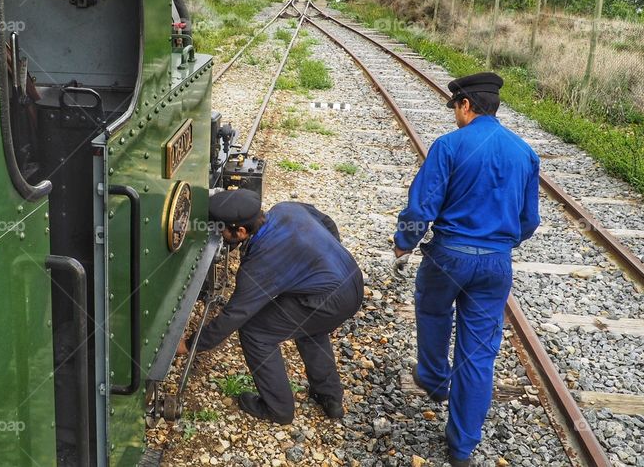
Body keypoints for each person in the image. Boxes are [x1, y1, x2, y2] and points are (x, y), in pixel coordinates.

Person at [392, 72, 541, 467]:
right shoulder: (524, 152)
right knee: (478, 354)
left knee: (432, 309)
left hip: (448, 256)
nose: (455, 115)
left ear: (465, 105)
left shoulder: (448, 146)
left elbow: (421, 206)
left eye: (455, 107)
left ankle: (434, 378)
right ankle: (461, 447)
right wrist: (496, 246)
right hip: (495, 264)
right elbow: (529, 221)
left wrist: (403, 243)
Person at [178, 189, 364, 425]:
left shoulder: (259, 264)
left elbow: (235, 315)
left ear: (241, 231)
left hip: (328, 299)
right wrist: (323, 259)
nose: (219, 234)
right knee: (310, 327)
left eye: (221, 229)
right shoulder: (287, 208)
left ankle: (278, 409)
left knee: (256, 332)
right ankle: (330, 398)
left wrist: (191, 344)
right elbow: (327, 221)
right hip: (351, 279)